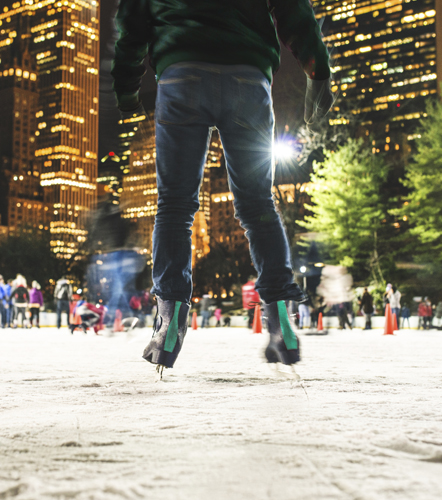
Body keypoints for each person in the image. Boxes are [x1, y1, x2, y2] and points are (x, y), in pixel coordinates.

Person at [113, 0, 331, 373]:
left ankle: (169, 324)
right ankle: (281, 325)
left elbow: (132, 20)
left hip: (181, 74)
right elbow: (294, 8)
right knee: (259, 204)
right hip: (248, 77)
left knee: (176, 207)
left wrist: (127, 87)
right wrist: (318, 73)